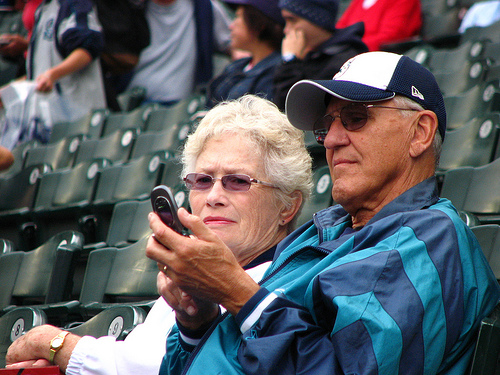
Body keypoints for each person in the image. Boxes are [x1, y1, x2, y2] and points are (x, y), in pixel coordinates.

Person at [144, 51, 500, 374]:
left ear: (420, 133)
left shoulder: (426, 241)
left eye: (355, 118)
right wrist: (197, 323)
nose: (330, 140)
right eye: (327, 125)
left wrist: (239, 294)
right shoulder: (326, 230)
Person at [5, 94, 313, 375]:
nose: (213, 196)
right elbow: (146, 356)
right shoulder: (191, 268)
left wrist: (57, 345)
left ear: (288, 206)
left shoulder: (297, 285)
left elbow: (149, 368)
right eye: (203, 180)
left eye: (237, 181)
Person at [125, 0, 232, 106]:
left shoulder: (204, 6)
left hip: (183, 106)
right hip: (131, 101)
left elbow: (235, 45)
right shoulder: (131, 6)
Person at [272, 0, 368, 111]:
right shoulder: (312, 54)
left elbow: (294, 109)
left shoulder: (343, 61)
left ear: (316, 19)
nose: (286, 29)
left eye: (292, 20)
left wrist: (290, 60)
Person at [26, 0, 106, 112]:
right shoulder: (42, 9)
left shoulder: (75, 3)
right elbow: (40, 70)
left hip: (78, 115)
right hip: (49, 114)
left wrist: (53, 74)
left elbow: (87, 49)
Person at [205, 0, 284, 108]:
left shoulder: (275, 74)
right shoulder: (239, 66)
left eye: (238, 17)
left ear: (259, 23)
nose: (231, 26)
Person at [335, 0, 422, 51]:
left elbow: (392, 35)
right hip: (349, 52)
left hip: (376, 56)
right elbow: (341, 29)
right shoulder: (359, 1)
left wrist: (351, 48)